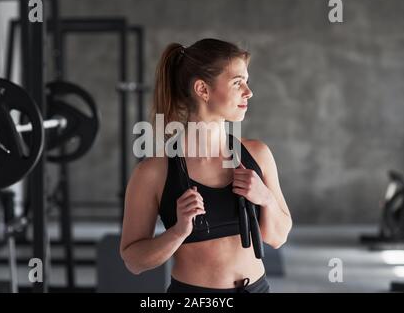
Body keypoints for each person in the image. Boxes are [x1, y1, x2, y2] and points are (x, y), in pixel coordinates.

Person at [120, 38, 292, 293]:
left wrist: (265, 199)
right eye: (237, 83)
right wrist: (178, 232)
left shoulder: (258, 154)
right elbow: (134, 261)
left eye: (247, 81)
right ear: (203, 89)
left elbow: (278, 238)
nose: (248, 91)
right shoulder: (153, 173)